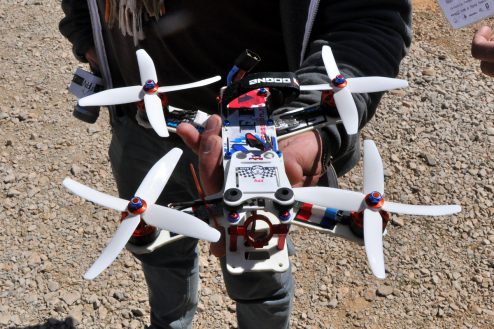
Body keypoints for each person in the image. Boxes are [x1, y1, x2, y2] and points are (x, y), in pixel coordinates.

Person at [59, 1, 412, 328]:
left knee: (260, 277)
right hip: (139, 125)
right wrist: (85, 33)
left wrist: (314, 125)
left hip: (270, 144)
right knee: (158, 250)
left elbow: (370, 15)